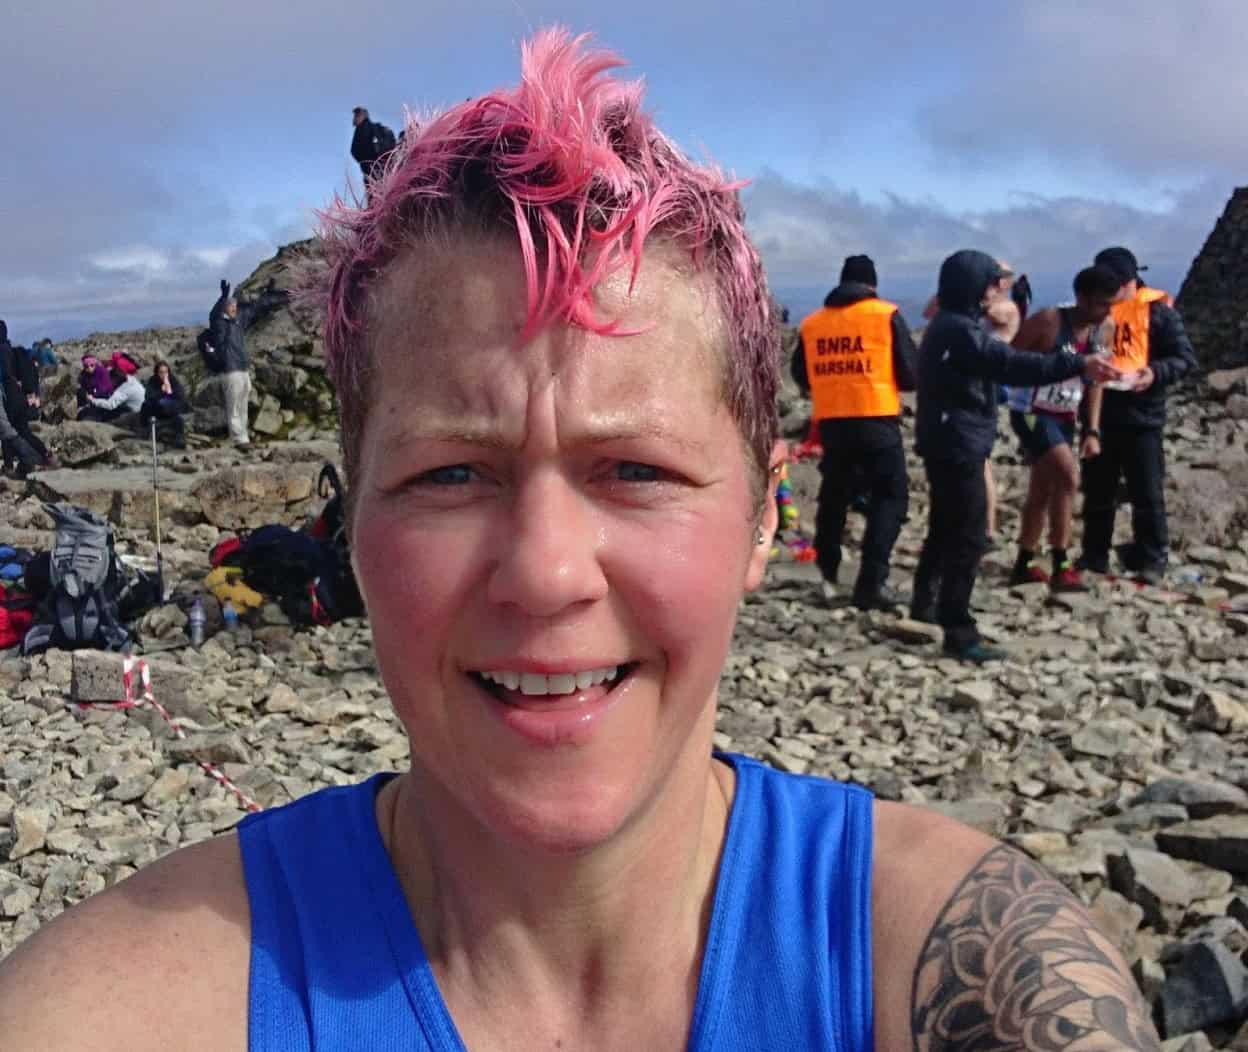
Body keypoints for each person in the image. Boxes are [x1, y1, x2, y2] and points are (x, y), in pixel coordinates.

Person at [0, 31, 1161, 1050]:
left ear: (764, 514)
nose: (548, 572)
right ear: (350, 521)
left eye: (638, 471)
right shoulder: (114, 1006)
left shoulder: (959, 969)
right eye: (451, 473)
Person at [912, 250, 1121, 662]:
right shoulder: (961, 330)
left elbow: (1005, 362)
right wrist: (1078, 364)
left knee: (944, 524)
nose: (997, 290)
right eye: (992, 283)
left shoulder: (950, 325)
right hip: (959, 440)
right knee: (969, 535)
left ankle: (925, 603)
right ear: (974, 286)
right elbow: (1010, 364)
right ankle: (959, 629)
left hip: (946, 436)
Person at [791, 254, 917, 609]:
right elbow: (910, 373)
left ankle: (827, 571)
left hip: (832, 423)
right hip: (876, 419)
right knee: (890, 499)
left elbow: (801, 375)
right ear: (872, 285)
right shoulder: (884, 315)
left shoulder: (813, 323)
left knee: (834, 498)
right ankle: (871, 583)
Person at [1078, 246, 1196, 585]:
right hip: (1099, 413)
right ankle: (1094, 556)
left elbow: (1184, 359)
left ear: (1129, 282)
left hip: (1143, 415)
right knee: (1098, 491)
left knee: (1146, 491)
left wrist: (1154, 373)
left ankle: (1152, 559)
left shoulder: (1159, 313)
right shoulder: (1094, 311)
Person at [1007, 265, 1120, 589]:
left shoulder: (1105, 328)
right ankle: (1061, 563)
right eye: (1100, 303)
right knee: (1069, 476)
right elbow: (1008, 358)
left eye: (1110, 304)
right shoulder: (1048, 321)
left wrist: (1093, 430)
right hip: (1030, 410)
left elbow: (1096, 380)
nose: (1106, 311)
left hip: (1065, 414)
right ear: (1080, 298)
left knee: (1043, 488)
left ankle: (1024, 562)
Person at [924, 262, 1019, 547]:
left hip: (987, 387)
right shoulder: (965, 310)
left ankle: (984, 529)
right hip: (962, 388)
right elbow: (930, 311)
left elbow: (988, 314)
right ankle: (965, 529)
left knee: (980, 464)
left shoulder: (1007, 308)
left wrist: (966, 295)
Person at [0, 321, 55, 472]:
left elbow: (3, 374)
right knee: (22, 430)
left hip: (8, 395)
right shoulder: (13, 350)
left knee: (6, 431)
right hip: (20, 395)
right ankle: (46, 455)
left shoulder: (2, 351)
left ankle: (11, 465)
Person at [208, 280, 256, 445]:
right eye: (230, 306)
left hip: (242, 367)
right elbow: (212, 315)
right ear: (225, 309)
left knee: (243, 404)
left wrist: (271, 295)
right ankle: (237, 438)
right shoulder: (219, 323)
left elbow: (256, 310)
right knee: (234, 405)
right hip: (230, 369)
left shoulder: (238, 322)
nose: (234, 309)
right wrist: (223, 296)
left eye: (235, 306)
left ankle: (244, 436)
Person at [140, 360, 190, 448]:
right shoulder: (153, 381)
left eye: (166, 372)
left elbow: (180, 395)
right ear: (157, 373)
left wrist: (169, 389)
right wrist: (161, 392)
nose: (163, 375)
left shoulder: (172, 380)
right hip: (157, 408)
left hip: (171, 408)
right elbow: (148, 397)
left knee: (177, 417)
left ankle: (179, 438)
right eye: (161, 372)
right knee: (145, 406)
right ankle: (145, 429)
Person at [350, 106, 397, 189]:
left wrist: (366, 161)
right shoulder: (375, 128)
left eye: (357, 115)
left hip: (372, 172)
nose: (354, 118)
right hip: (385, 169)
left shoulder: (362, 129)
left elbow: (355, 151)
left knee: (376, 197)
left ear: (364, 115)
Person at [80, 367, 145, 423]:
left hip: (134, 412)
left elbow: (110, 405)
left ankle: (101, 422)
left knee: (106, 411)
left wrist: (93, 400)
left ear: (115, 379)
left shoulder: (124, 390)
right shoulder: (129, 379)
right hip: (138, 406)